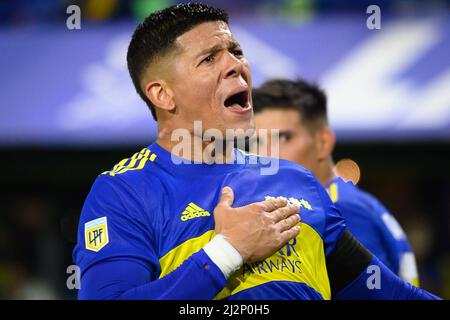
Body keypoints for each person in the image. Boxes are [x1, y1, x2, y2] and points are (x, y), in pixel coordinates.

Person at [73, 3, 438, 300]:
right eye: (209, 59)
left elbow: (386, 293)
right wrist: (228, 251)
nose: (236, 65)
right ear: (163, 94)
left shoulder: (295, 180)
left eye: (235, 51)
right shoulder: (123, 192)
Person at [253, 78, 420, 286]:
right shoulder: (343, 201)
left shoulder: (340, 210)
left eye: (284, 138)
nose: (266, 154)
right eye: (256, 141)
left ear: (323, 142)